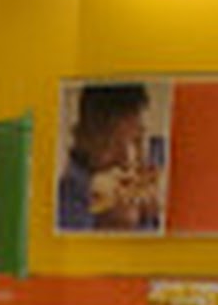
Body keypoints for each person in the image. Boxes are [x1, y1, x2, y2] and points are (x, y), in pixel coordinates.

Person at [56, 82, 161, 232]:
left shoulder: (143, 201)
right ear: (82, 138)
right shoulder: (62, 206)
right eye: (110, 142)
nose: (128, 160)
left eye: (137, 140)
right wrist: (108, 227)